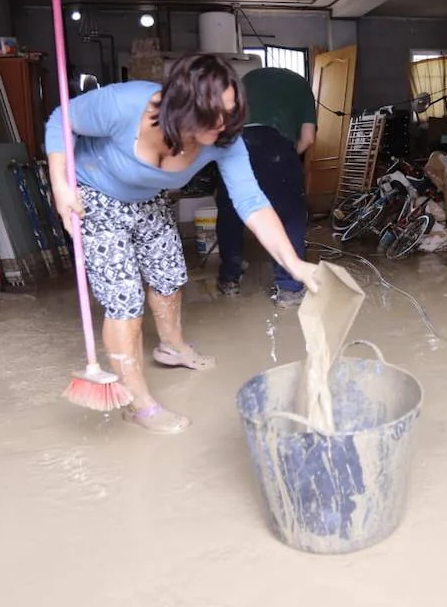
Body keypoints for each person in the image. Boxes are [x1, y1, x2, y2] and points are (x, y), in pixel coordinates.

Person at [46, 54, 317, 434]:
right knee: (124, 300)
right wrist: (60, 186)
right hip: (96, 194)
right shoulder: (128, 105)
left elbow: (252, 202)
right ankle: (139, 404)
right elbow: (62, 119)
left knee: (171, 277)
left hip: (148, 197)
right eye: (212, 114)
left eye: (229, 113)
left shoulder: (225, 139)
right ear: (182, 103)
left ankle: (171, 347)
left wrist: (294, 263)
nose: (222, 125)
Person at [214, 66, 317, 305]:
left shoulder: (247, 79)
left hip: (236, 140)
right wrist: (288, 156)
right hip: (275, 142)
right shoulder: (301, 87)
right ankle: (289, 288)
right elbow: (308, 137)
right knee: (289, 213)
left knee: (231, 210)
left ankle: (230, 277)